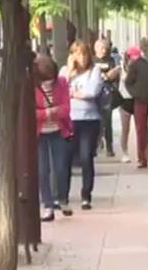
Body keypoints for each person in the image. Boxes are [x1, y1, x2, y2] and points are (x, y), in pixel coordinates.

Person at [61, 39, 103, 210]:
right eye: (77, 53)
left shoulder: (95, 71)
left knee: (86, 157)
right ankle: (63, 195)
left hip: (89, 119)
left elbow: (92, 92)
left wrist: (72, 93)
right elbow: (59, 90)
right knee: (66, 158)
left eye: (84, 53)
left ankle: (86, 195)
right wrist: (70, 72)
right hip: (69, 119)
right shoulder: (65, 71)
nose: (81, 57)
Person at [33, 54, 73, 220]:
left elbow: (65, 109)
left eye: (51, 79)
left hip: (59, 130)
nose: (48, 83)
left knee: (61, 168)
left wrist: (48, 112)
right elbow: (31, 112)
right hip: (40, 133)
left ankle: (62, 198)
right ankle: (48, 205)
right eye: (45, 80)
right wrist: (49, 112)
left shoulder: (62, 83)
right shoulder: (31, 86)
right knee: (43, 170)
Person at [125, 38, 148, 169]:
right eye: (146, 46)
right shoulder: (137, 64)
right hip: (141, 102)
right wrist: (136, 94)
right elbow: (128, 82)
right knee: (141, 130)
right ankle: (142, 158)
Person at [94, 37, 120, 158]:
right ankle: (97, 143)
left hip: (107, 93)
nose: (104, 50)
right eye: (101, 48)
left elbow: (115, 74)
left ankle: (109, 146)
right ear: (96, 48)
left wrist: (107, 76)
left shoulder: (111, 60)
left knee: (107, 121)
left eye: (105, 48)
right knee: (96, 121)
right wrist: (105, 76)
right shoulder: (92, 60)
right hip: (95, 94)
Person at [117, 47, 136, 164]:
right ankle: (124, 152)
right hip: (124, 100)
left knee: (143, 129)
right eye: (132, 58)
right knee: (125, 129)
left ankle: (143, 153)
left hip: (137, 99)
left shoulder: (139, 68)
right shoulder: (121, 68)